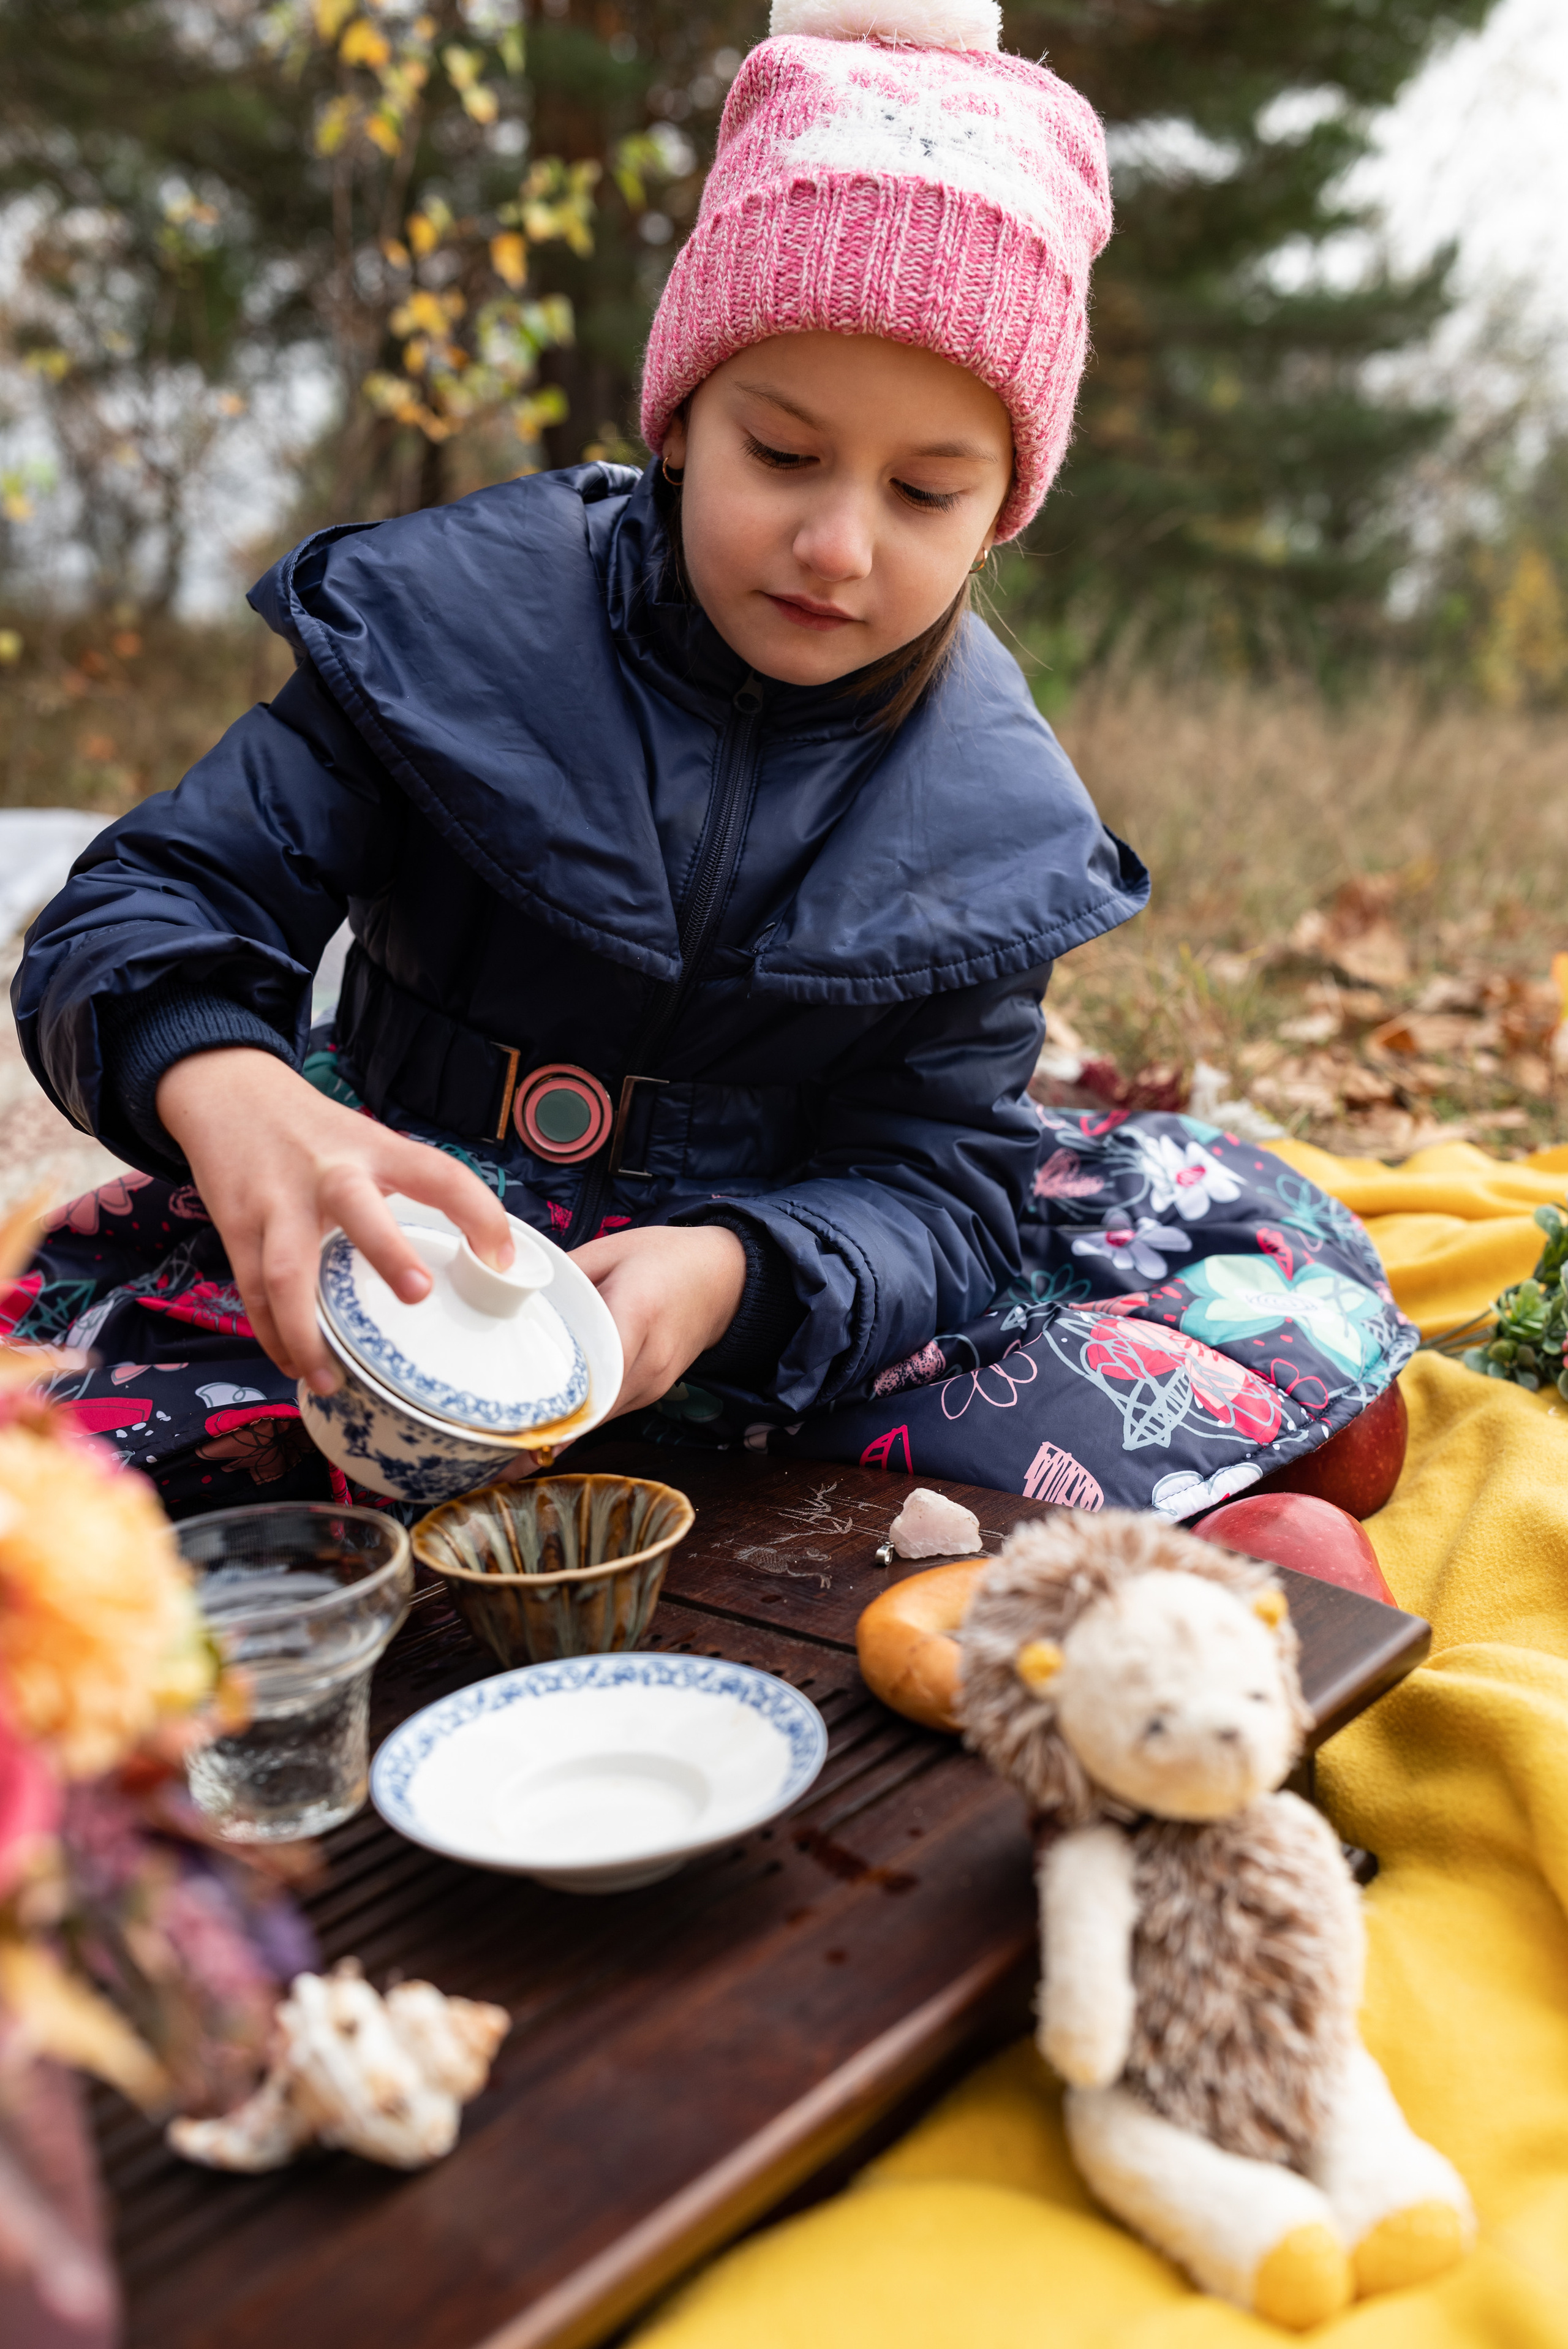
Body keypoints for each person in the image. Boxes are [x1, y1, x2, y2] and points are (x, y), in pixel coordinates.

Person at [9, 0, 1412, 1521]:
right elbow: (141, 903)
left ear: (1004, 507)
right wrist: (229, 1090)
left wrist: (740, 1271)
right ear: (681, 417)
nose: (836, 544)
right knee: (102, 1475)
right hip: (403, 1230)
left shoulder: (994, 821)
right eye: (783, 454)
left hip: (766, 1290)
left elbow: (936, 1184)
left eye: (927, 491)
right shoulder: (448, 629)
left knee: (1187, 1367)